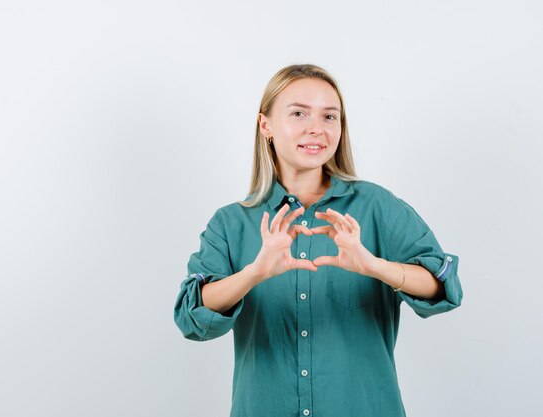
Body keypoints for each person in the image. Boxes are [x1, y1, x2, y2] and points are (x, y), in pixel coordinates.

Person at [173, 63, 463, 417]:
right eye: (299, 113)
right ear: (265, 125)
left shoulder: (377, 207)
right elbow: (191, 318)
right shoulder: (231, 222)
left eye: (330, 117)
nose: (317, 129)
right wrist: (254, 273)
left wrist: (375, 266)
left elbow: (443, 287)